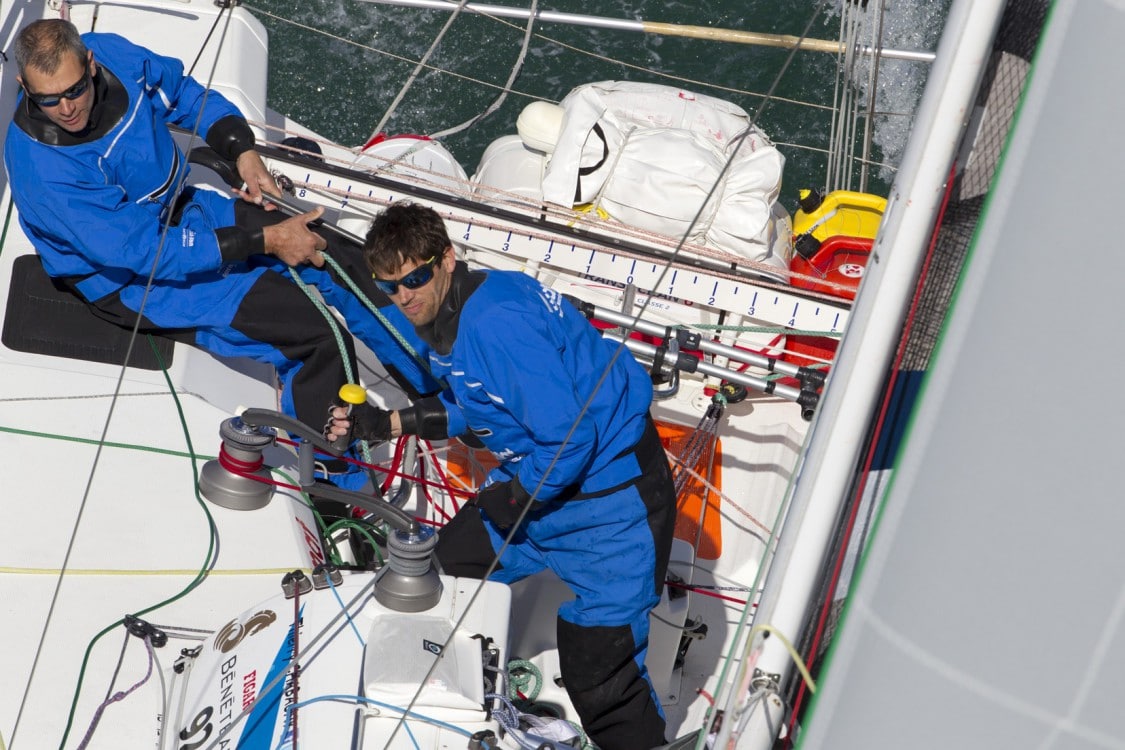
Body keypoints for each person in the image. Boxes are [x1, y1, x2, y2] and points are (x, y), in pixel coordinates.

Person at [4, 19, 439, 463]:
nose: (67, 108)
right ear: (24, 87)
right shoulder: (44, 170)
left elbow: (186, 95)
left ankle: (436, 390)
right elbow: (145, 253)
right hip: (136, 280)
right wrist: (265, 240)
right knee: (319, 338)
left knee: (330, 252)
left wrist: (242, 151)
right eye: (47, 99)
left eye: (74, 90)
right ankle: (334, 479)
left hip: (182, 211)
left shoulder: (116, 56)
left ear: (91, 64)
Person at [326, 201, 678, 750]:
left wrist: (514, 498)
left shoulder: (494, 325)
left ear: (446, 259)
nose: (405, 296)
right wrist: (391, 421)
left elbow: (570, 439)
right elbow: (486, 404)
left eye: (415, 278)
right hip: (542, 488)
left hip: (612, 507)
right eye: (390, 286)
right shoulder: (451, 315)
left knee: (598, 674)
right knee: (433, 572)